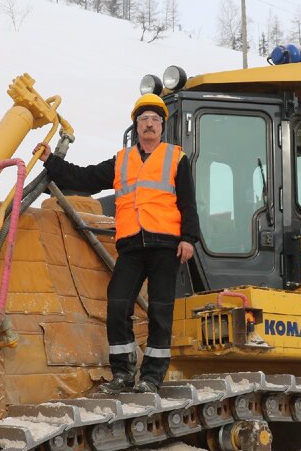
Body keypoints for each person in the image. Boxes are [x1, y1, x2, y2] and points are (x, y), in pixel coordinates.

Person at [37, 93, 199, 394]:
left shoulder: (176, 158)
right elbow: (84, 178)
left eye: (154, 120)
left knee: (160, 312)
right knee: (118, 305)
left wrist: (188, 238)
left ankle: (152, 376)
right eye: (143, 120)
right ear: (136, 127)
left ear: (162, 126)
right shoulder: (122, 161)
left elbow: (188, 202)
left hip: (166, 245)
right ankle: (123, 374)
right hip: (132, 245)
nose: (149, 125)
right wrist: (52, 162)